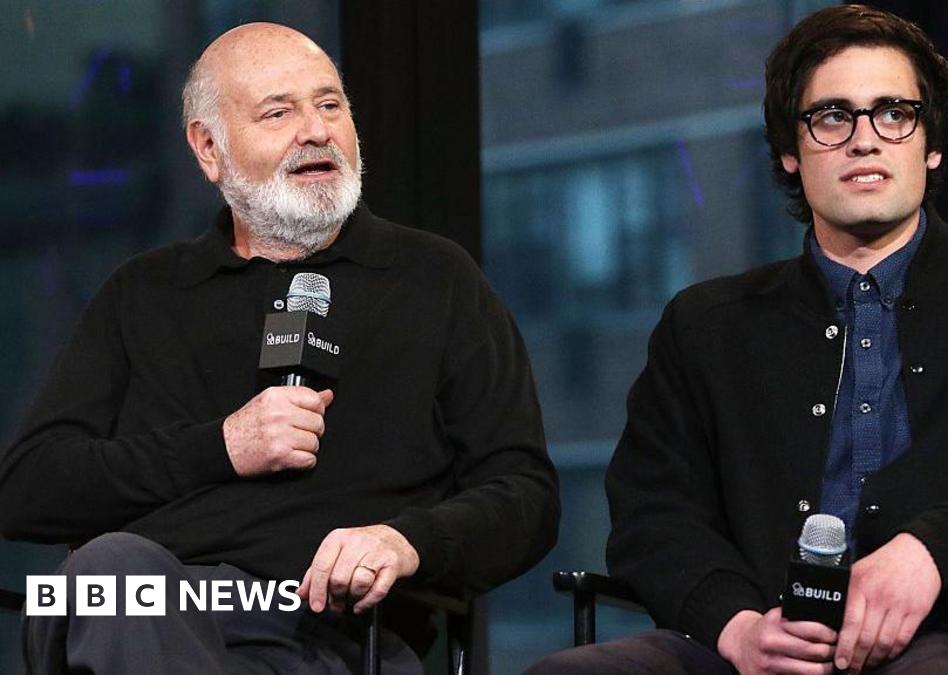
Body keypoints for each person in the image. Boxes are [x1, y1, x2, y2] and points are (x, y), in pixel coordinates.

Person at [530, 5, 948, 674]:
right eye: (832, 116)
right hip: (748, 644)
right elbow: (652, 515)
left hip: (946, 638)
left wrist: (936, 548)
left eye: (894, 113)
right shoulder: (705, 325)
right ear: (790, 152)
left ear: (931, 145)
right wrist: (735, 625)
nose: (864, 140)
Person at [0, 22, 559, 674]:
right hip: (142, 607)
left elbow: (526, 496)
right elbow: (27, 489)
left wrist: (407, 541)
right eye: (279, 112)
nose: (317, 130)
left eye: (330, 104)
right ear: (209, 148)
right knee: (112, 572)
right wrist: (223, 446)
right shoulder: (142, 294)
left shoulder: (434, 280)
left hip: (325, 635)